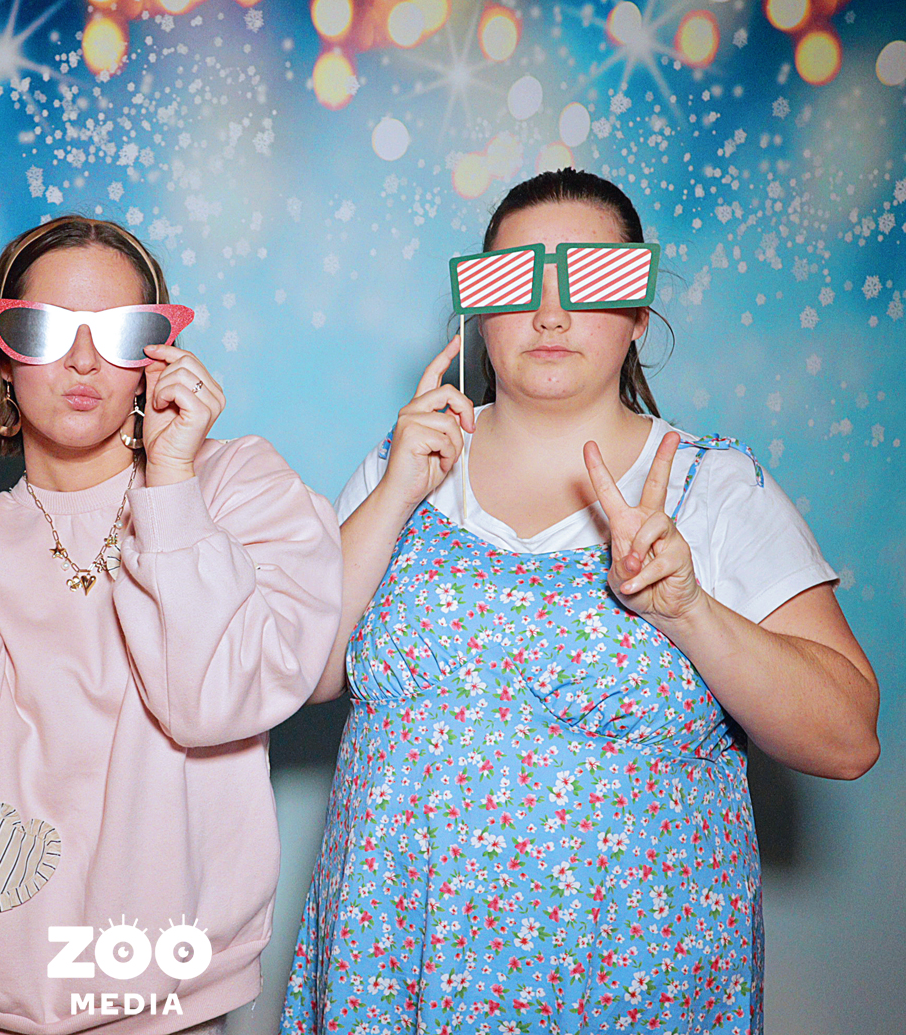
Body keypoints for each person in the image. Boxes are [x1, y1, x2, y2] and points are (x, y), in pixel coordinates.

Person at [284, 168, 879, 1033]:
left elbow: (846, 739)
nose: (550, 313)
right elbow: (302, 674)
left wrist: (688, 611)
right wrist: (394, 491)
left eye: (592, 277)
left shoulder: (716, 490)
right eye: (512, 280)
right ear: (477, 310)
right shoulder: (402, 464)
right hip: (392, 967)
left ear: (638, 312)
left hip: (633, 985)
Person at [0, 216, 343, 1035]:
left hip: (156, 1005)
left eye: (119, 332)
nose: (83, 361)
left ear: (159, 355)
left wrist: (172, 483)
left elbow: (211, 704)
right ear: (2, 357)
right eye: (44, 330)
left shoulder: (236, 489)